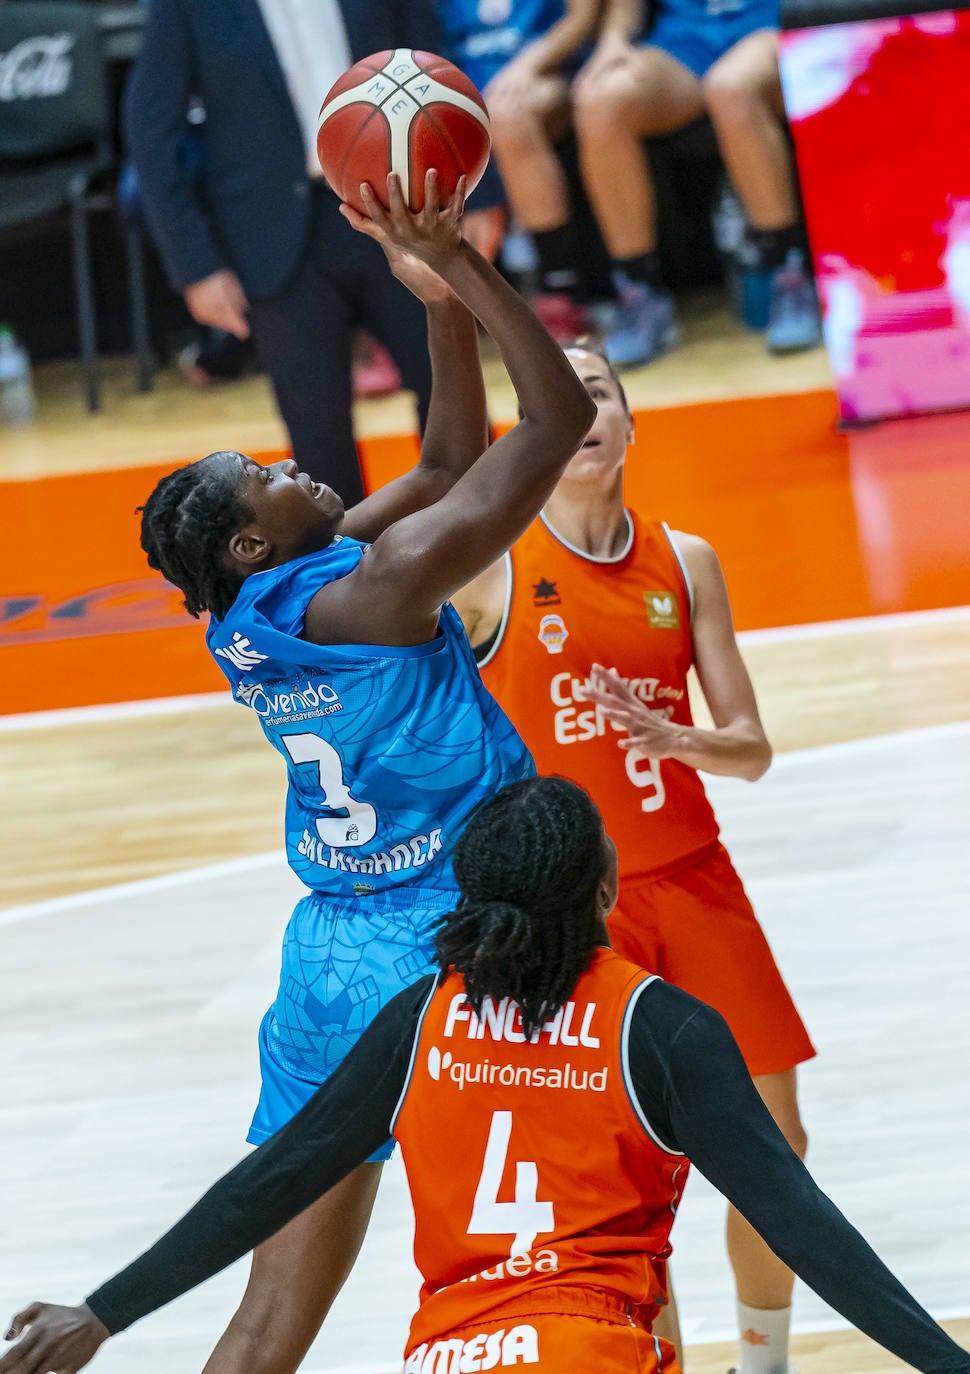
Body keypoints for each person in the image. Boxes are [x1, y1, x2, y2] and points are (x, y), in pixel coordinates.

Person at [113, 173, 594, 1374]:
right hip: (451, 943)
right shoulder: (371, 595)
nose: (292, 462)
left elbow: (441, 467)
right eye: (267, 473)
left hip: (325, 954)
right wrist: (471, 261)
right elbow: (551, 430)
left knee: (273, 1319)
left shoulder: (261, 610)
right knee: (548, 1265)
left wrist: (427, 299)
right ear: (247, 539)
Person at [3, 776, 968, 1374]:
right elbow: (801, 1223)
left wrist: (103, 1313)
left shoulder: (419, 1019)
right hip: (594, 1349)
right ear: (604, 889)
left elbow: (268, 1186)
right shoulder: (657, 1028)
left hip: (445, 1358)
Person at [451, 343, 814, 1374]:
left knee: (776, 1148)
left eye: (598, 392)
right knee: (623, 1178)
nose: (583, 411)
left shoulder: (684, 558)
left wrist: (679, 739)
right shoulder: (496, 565)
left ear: (629, 422)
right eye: (553, 401)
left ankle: (765, 1363)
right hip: (574, 911)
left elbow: (753, 749)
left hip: (693, 875)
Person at [124, 0, 447, 505]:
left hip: (396, 205)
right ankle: (347, 577)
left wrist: (479, 195)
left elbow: (439, 70)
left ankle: (485, 557)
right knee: (317, 439)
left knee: (450, 390)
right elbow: (150, 126)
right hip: (268, 232)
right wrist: (197, 265)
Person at [565, 0, 820, 363]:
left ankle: (789, 274)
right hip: (684, 40)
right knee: (600, 100)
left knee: (731, 89)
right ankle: (640, 292)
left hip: (769, 21)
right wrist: (614, 39)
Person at [438, 0, 603, 338]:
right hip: (459, 82)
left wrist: (528, 64)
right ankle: (437, 302)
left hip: (546, 69)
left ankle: (559, 284)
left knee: (507, 116)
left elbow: (582, 18)